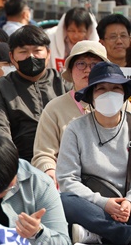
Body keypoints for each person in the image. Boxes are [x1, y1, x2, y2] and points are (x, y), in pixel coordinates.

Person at [57, 61, 131, 245]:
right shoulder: (75, 128)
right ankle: (123, 234)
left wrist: (128, 202)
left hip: (128, 207)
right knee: (64, 201)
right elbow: (68, 180)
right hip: (94, 206)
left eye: (115, 88)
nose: (109, 93)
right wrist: (104, 203)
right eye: (101, 89)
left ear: (124, 94)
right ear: (91, 96)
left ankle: (102, 234)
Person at [0, 25, 65, 162]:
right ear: (12, 57)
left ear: (48, 54)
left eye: (37, 50)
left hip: (65, 161)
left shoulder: (64, 83)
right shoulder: (0, 88)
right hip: (21, 163)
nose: (31, 56)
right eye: (23, 52)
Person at [32, 41, 109, 185]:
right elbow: (43, 154)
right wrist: (49, 171)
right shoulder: (54, 108)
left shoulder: (120, 105)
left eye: (94, 65)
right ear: (71, 70)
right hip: (69, 185)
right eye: (81, 64)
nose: (87, 70)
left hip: (114, 184)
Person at [45, 7, 99, 72]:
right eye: (72, 31)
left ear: (88, 31)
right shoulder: (51, 37)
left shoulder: (96, 43)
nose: (76, 36)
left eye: (81, 31)